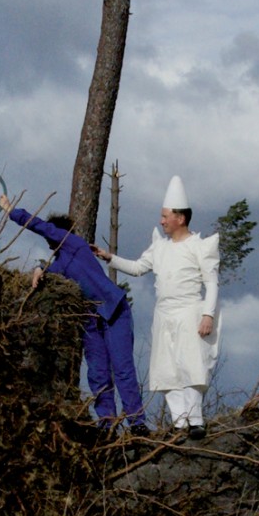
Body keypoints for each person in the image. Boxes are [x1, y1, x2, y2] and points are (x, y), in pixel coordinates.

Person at [3, 194, 149, 435]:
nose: (51, 240)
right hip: (91, 320)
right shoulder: (60, 263)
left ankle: (137, 422)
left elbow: (42, 226)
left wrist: (12, 211)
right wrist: (40, 267)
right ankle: (107, 424)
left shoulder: (76, 244)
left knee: (122, 368)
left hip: (114, 310)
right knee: (98, 372)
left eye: (53, 235)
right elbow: (50, 270)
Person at [95, 176, 219, 439]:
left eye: (165, 216)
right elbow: (139, 267)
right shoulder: (160, 247)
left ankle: (195, 419)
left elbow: (211, 282)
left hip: (189, 311)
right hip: (164, 313)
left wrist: (207, 314)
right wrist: (110, 258)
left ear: (180, 218)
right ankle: (179, 420)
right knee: (167, 368)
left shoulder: (198, 246)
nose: (162, 221)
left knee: (191, 366)